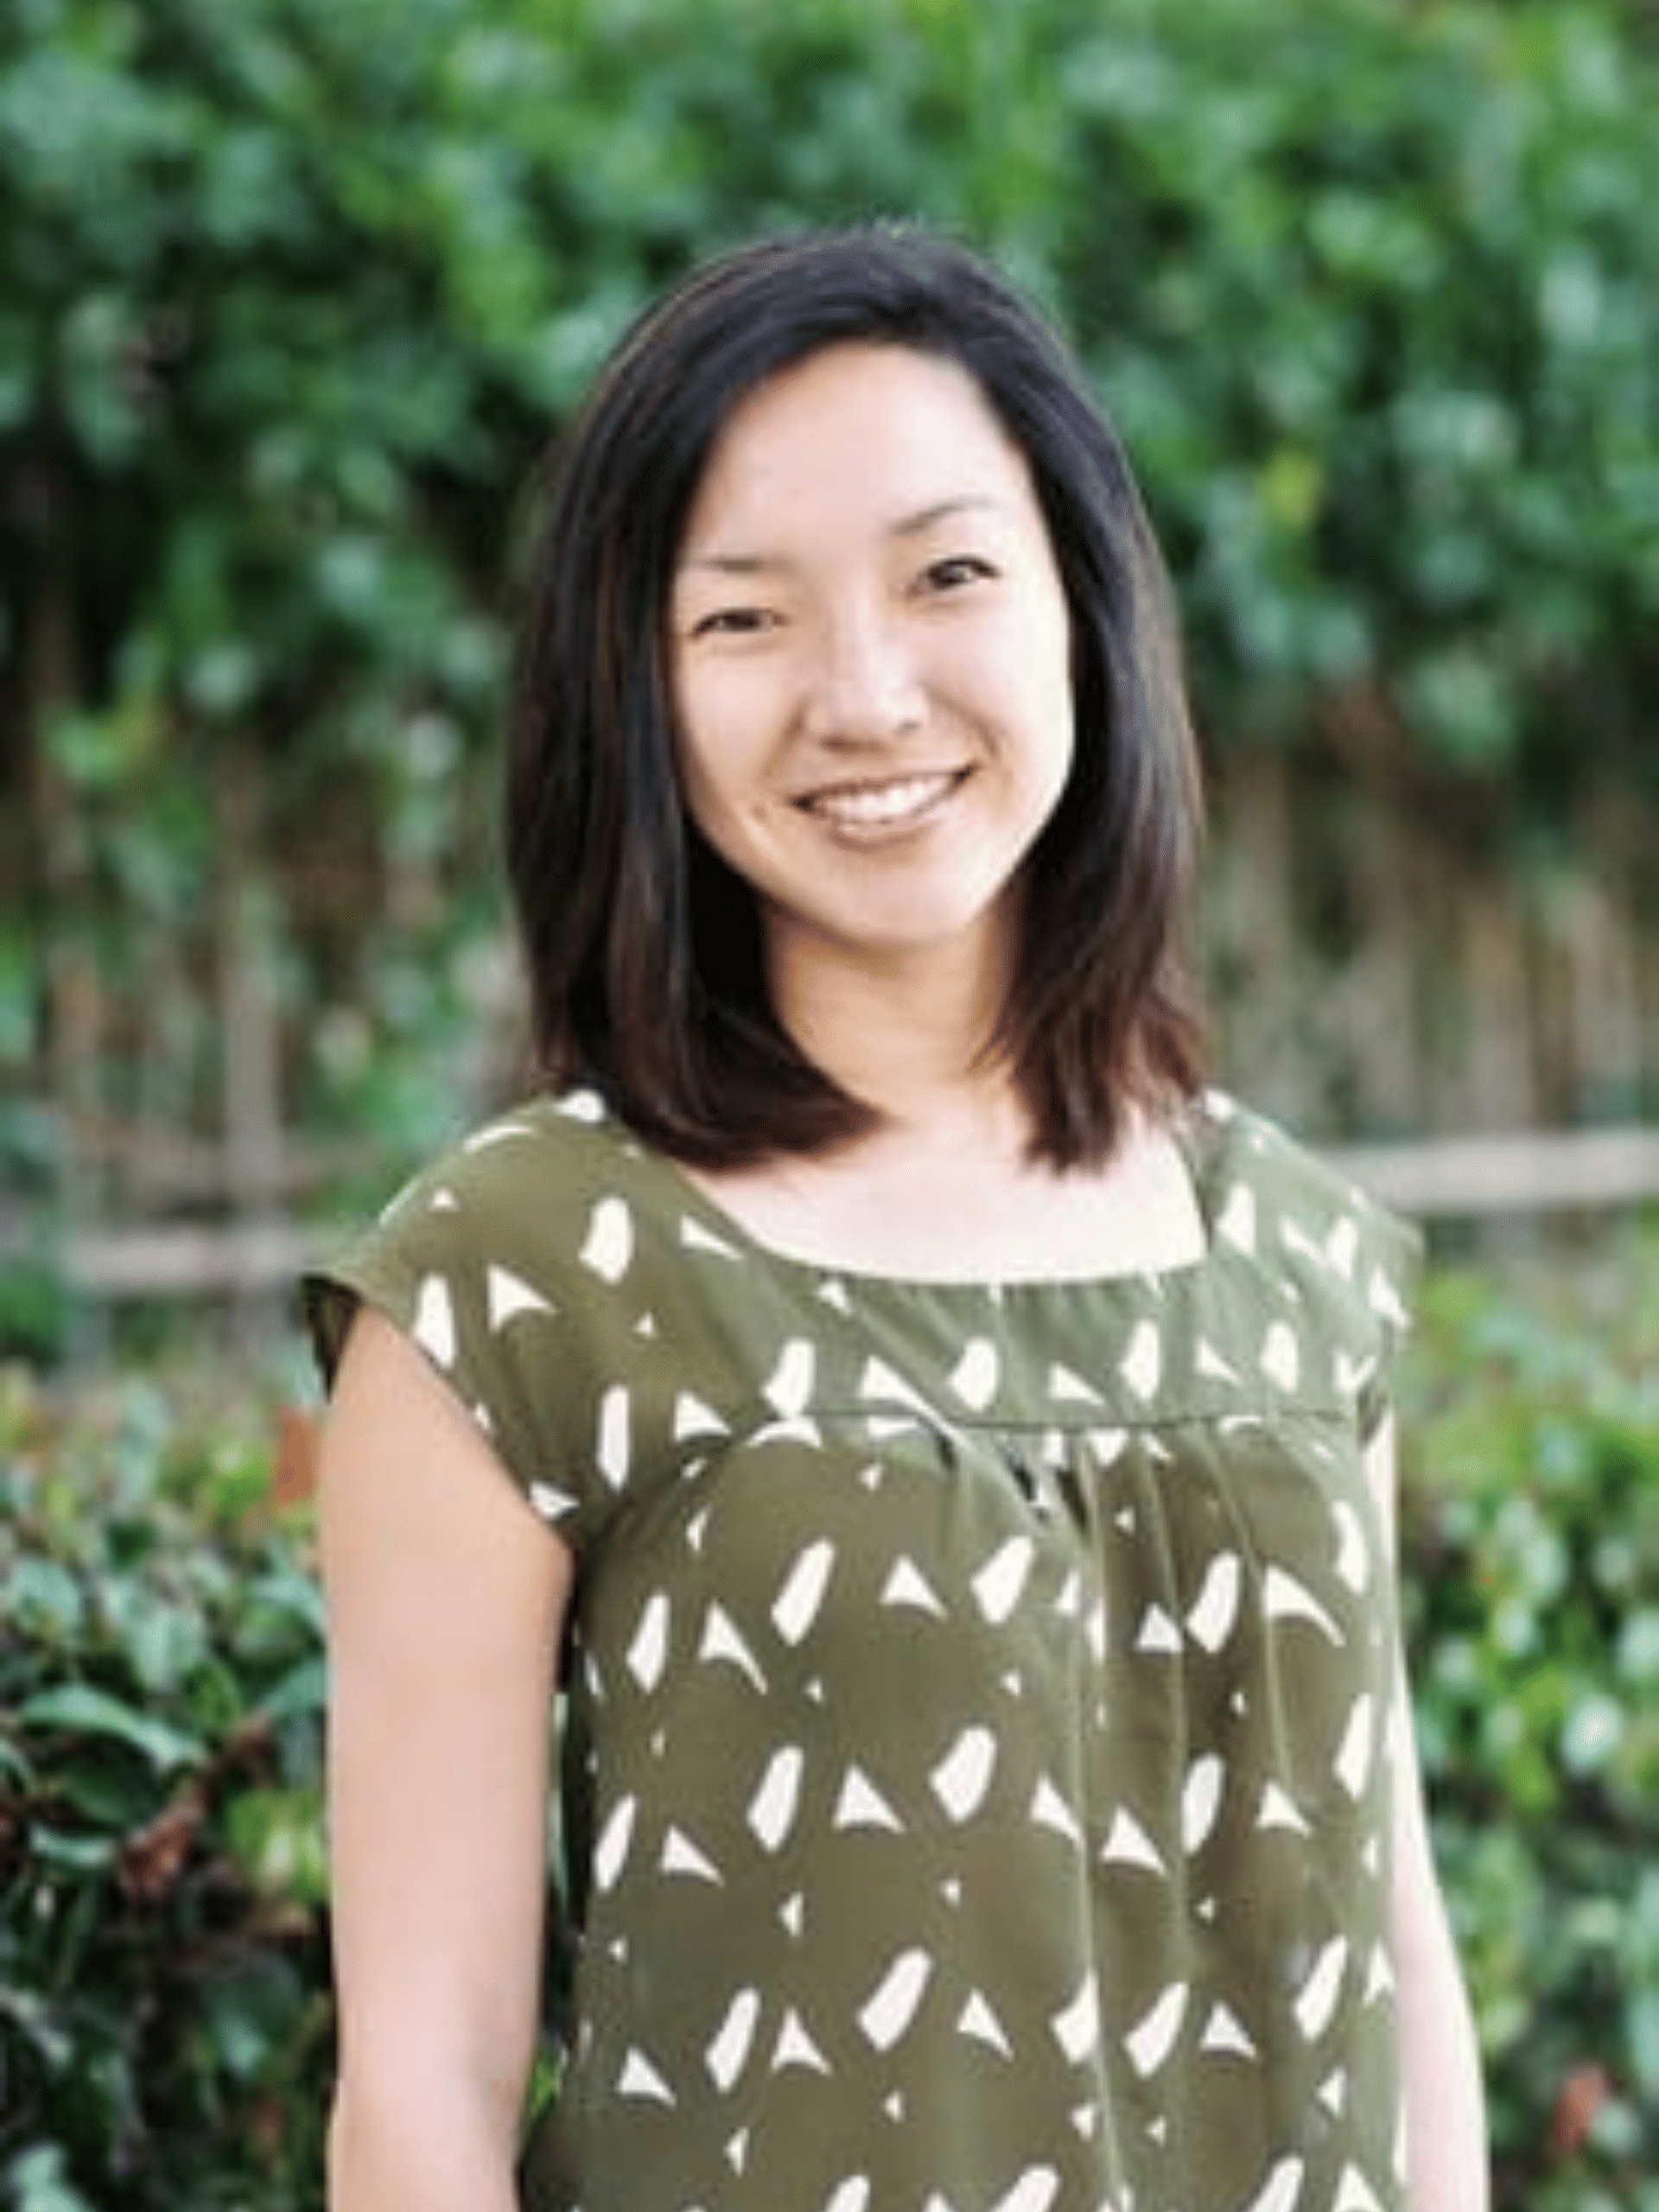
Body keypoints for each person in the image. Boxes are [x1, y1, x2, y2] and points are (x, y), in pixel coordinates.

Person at [306, 222, 1488, 2212]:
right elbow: (420, 2086)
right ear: (637, 696)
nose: (863, 694)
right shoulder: (515, 1285)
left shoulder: (1295, 1264)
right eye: (743, 617)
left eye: (947, 575)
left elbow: (1397, 1958)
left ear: (1083, 610)